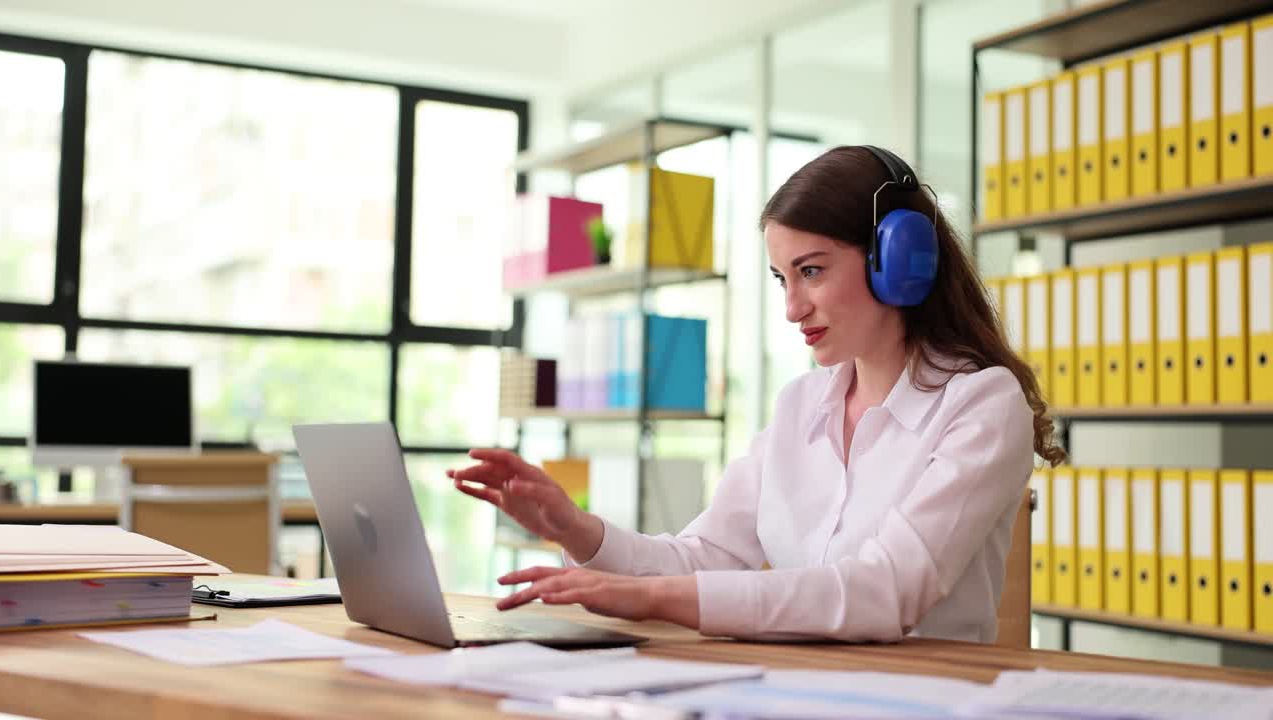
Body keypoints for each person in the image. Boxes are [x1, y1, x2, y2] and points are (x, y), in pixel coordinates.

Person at [447, 145, 1066, 643]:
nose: (793, 307)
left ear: (898, 261)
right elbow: (705, 556)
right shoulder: (800, 406)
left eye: (812, 271)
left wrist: (655, 600)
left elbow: (886, 592)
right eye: (781, 278)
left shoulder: (981, 403)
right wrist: (575, 528)